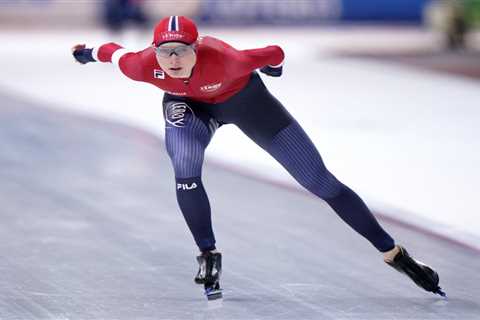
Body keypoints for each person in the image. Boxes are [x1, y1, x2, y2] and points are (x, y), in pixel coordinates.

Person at [72, 15, 445, 298]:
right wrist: (87, 54)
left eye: (181, 51)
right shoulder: (142, 65)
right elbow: (111, 53)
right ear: (153, 51)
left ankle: (395, 254)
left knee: (319, 182)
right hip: (191, 109)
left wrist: (274, 68)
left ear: (197, 47)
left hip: (247, 103)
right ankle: (208, 254)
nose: (172, 60)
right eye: (165, 51)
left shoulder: (228, 59)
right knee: (185, 167)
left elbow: (274, 53)